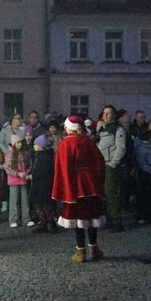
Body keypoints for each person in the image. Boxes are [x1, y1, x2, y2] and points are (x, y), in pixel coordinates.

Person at [52, 115, 106, 263]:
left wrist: (65, 187)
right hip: (90, 184)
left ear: (69, 128)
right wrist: (97, 180)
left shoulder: (65, 144)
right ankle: (94, 248)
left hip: (75, 185)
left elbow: (62, 167)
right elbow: (99, 163)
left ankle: (81, 251)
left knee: (78, 220)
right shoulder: (88, 142)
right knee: (91, 217)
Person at [94, 105, 127, 231]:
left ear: (114, 115)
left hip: (110, 164)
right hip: (101, 164)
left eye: (109, 113)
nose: (106, 115)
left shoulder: (117, 129)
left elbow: (121, 147)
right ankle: (109, 219)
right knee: (103, 193)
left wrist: (114, 162)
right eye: (104, 113)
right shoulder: (102, 129)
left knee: (110, 192)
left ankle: (117, 221)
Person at [3, 133, 32, 227]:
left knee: (25, 199)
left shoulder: (24, 153)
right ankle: (13, 219)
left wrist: (26, 172)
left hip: (23, 179)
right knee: (14, 200)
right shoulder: (9, 155)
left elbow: (30, 164)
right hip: (13, 181)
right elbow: (7, 168)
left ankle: (26, 218)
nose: (20, 144)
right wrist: (18, 174)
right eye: (18, 142)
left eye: (20, 142)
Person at [29, 134, 57, 232]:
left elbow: (42, 171)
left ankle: (50, 223)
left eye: (35, 144)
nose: (34, 146)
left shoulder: (44, 157)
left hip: (43, 185)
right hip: (40, 184)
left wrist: (33, 176)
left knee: (46, 205)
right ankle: (44, 222)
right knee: (41, 205)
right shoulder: (42, 156)